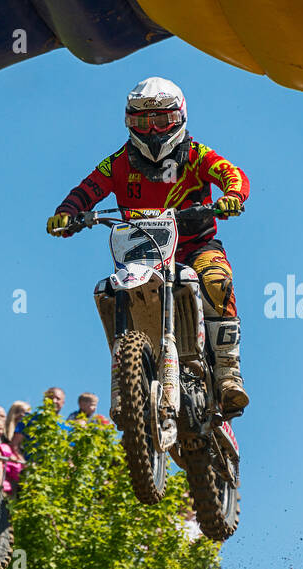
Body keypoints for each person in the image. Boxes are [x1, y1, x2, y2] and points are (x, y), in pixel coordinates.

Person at [47, 77, 250, 416]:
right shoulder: (118, 164)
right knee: (109, 291)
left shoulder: (197, 155)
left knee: (216, 279)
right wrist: (67, 215)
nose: (153, 131)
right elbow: (86, 191)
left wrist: (232, 196)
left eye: (161, 121)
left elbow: (233, 174)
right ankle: (129, 379)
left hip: (195, 246)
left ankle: (229, 374)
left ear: (179, 118)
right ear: (130, 123)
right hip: (142, 253)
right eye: (143, 122)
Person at [12, 387, 72, 458]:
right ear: (44, 400)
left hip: (57, 468)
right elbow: (14, 444)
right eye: (50, 397)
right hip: (31, 466)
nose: (54, 401)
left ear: (63, 403)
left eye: (58, 399)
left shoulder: (67, 428)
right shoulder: (29, 420)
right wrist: (23, 462)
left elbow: (70, 455)